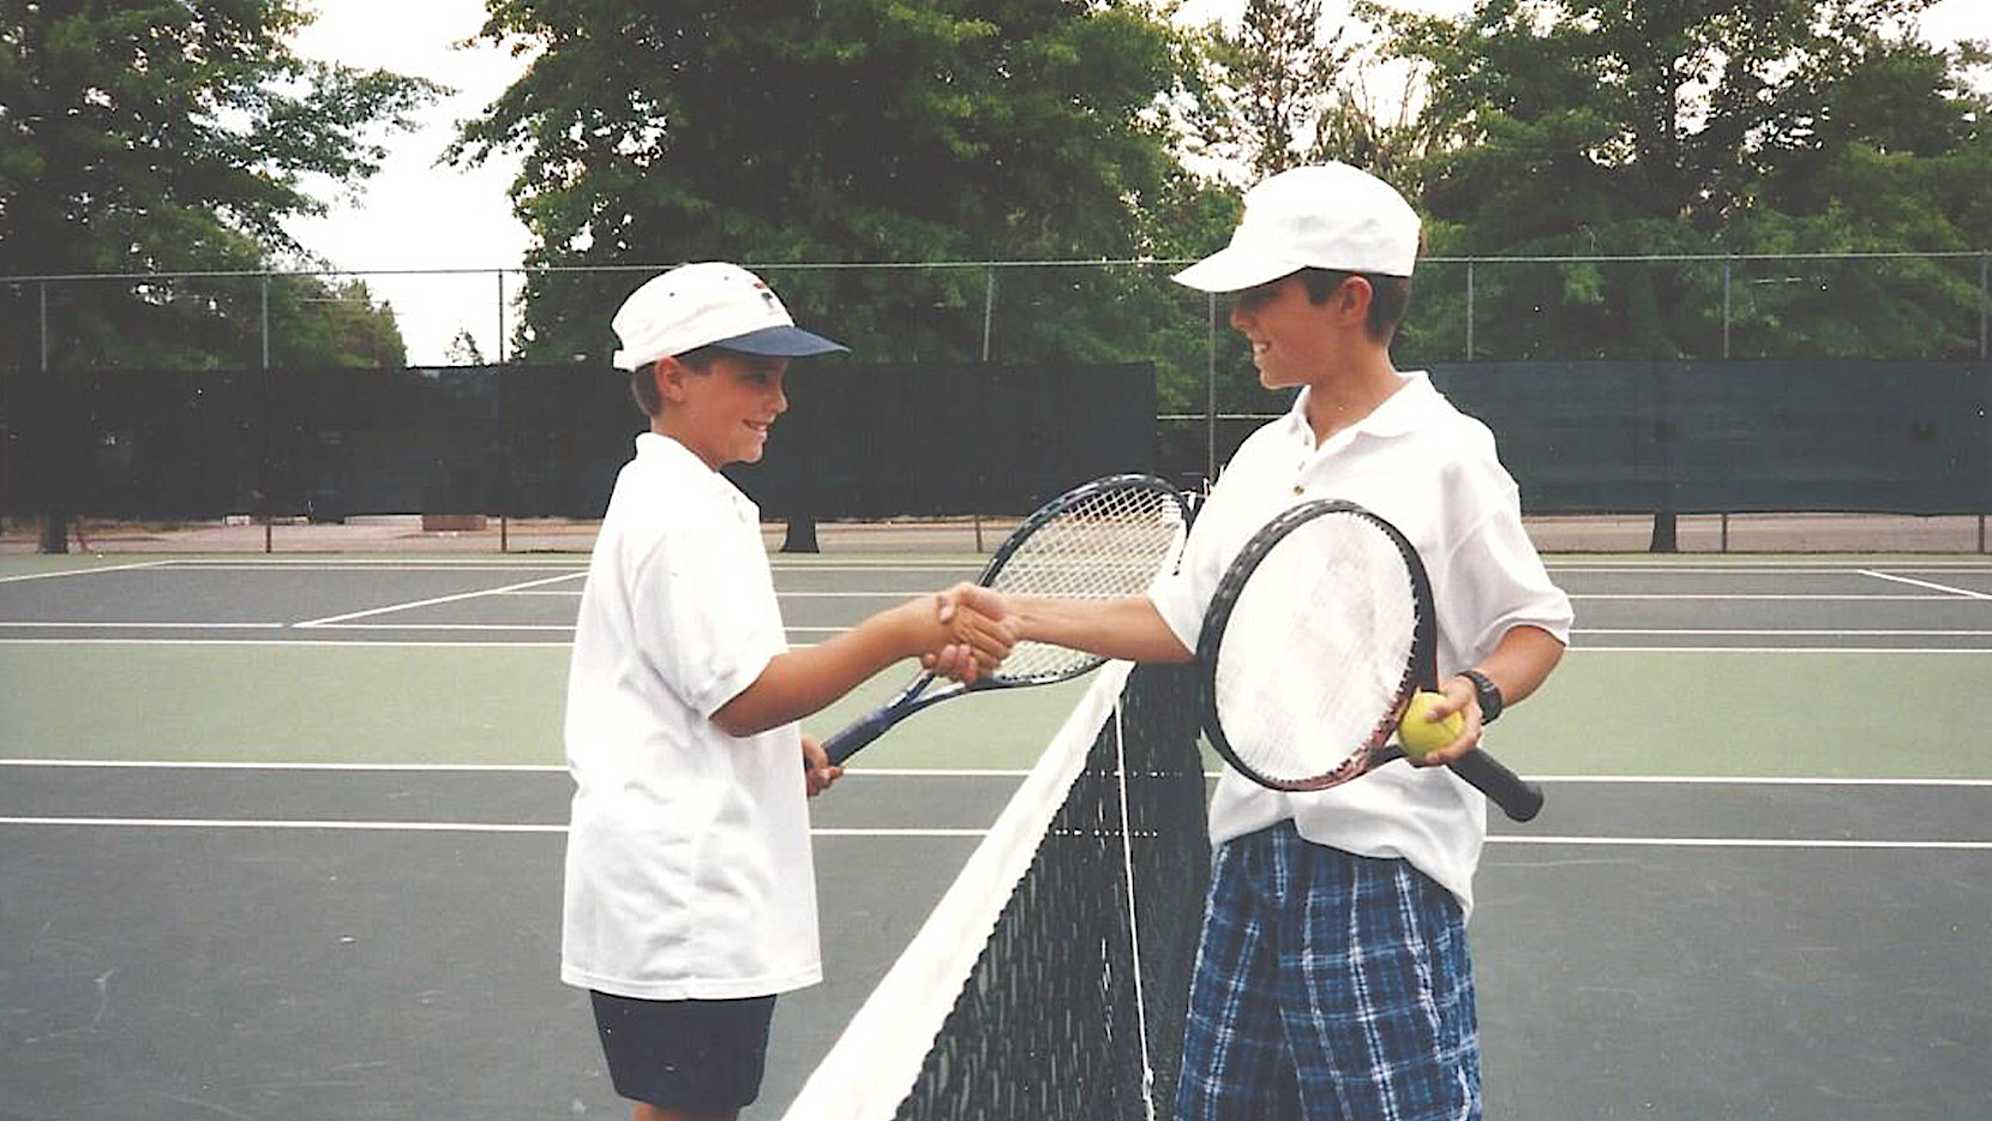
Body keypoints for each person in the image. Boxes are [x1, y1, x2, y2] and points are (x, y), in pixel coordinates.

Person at [940, 164, 1573, 1120]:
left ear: (1350, 298)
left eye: (1262, 295)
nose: (1241, 318)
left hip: (1381, 860)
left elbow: (1535, 625)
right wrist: (1020, 615)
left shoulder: (1450, 453)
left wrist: (1476, 694)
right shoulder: (1259, 457)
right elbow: (1181, 619)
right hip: (1249, 845)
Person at [561, 261, 1013, 1121]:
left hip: (682, 883)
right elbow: (744, 700)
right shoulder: (677, 513)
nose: (779, 399)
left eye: (781, 378)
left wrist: (778, 749)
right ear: (673, 377)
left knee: (685, 1109)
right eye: (754, 376)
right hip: (683, 895)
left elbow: (715, 693)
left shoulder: (687, 496)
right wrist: (901, 632)